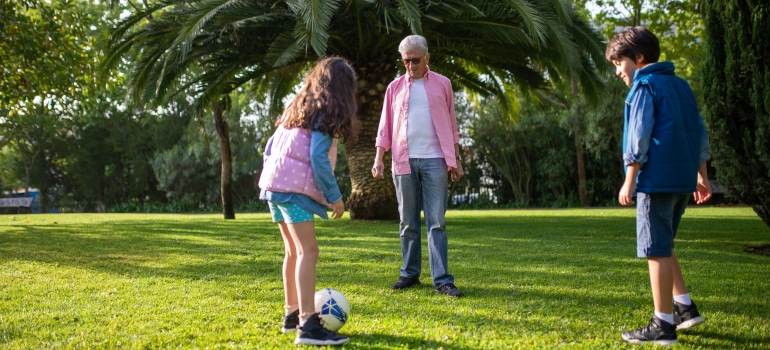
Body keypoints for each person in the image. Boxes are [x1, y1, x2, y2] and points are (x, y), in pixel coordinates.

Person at [606, 27, 712, 345]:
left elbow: (638, 134)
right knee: (663, 244)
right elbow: (699, 131)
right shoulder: (681, 86)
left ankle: (662, 325)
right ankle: (684, 308)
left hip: (656, 180)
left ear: (638, 59)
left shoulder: (644, 86)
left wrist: (630, 179)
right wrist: (701, 174)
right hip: (681, 179)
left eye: (618, 63)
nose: (616, 71)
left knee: (654, 249)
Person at [258, 57, 359, 346]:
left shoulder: (298, 105)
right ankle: (307, 325)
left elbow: (270, 146)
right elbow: (317, 157)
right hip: (292, 190)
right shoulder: (326, 111)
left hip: (274, 186)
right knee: (308, 252)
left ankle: (291, 316)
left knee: (293, 252)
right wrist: (334, 196)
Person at [371, 35, 464, 297]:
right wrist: (378, 157)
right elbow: (384, 126)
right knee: (407, 222)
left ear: (427, 58)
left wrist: (455, 160)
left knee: (436, 222)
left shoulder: (443, 84)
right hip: (403, 160)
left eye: (415, 60)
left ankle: (443, 280)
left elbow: (452, 125)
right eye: (405, 61)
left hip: (436, 159)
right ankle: (409, 274)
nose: (410, 65)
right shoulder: (394, 87)